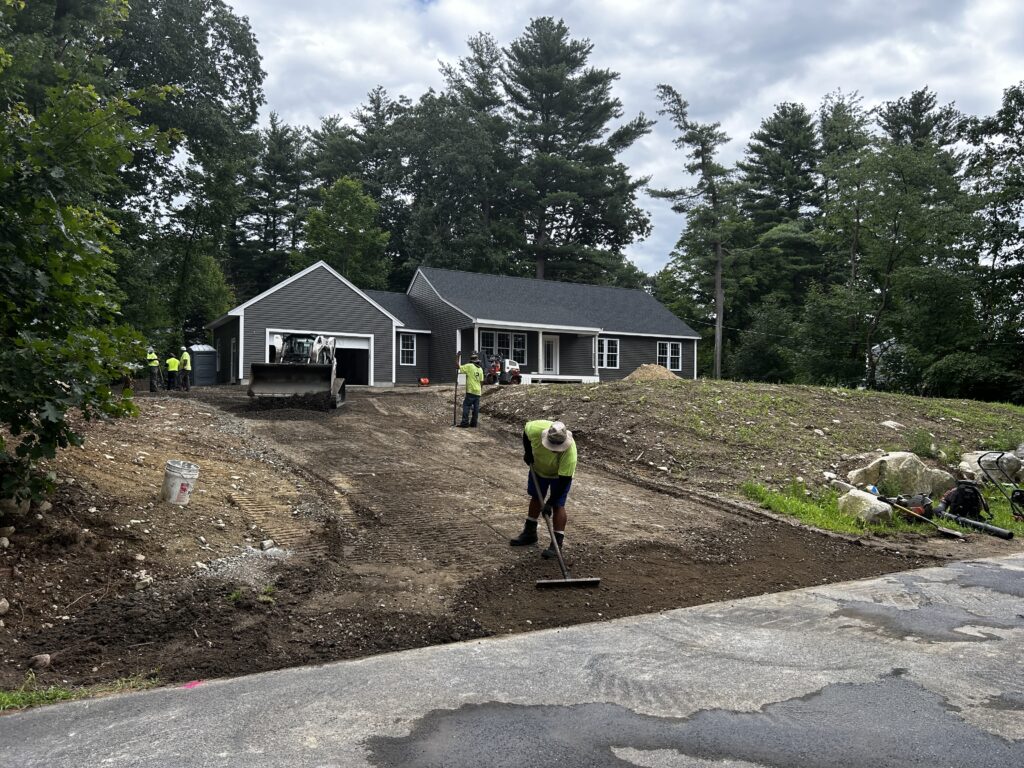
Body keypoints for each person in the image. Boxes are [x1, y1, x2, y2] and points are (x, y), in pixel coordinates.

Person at [510, 420, 577, 559]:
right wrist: (528, 452)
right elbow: (525, 433)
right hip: (539, 470)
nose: (554, 450)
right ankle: (530, 533)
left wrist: (549, 503)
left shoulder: (570, 454)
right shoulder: (535, 429)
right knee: (536, 497)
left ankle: (556, 544)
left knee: (559, 504)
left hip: (559, 476)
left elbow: (564, 482)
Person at [456, 351, 484, 428]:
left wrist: (457, 357)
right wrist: (480, 390)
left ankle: (464, 423)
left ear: (471, 360)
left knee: (466, 406)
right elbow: (481, 381)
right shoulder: (480, 369)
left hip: (470, 391)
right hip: (478, 392)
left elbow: (457, 367)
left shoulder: (469, 366)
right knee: (476, 409)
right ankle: (474, 424)